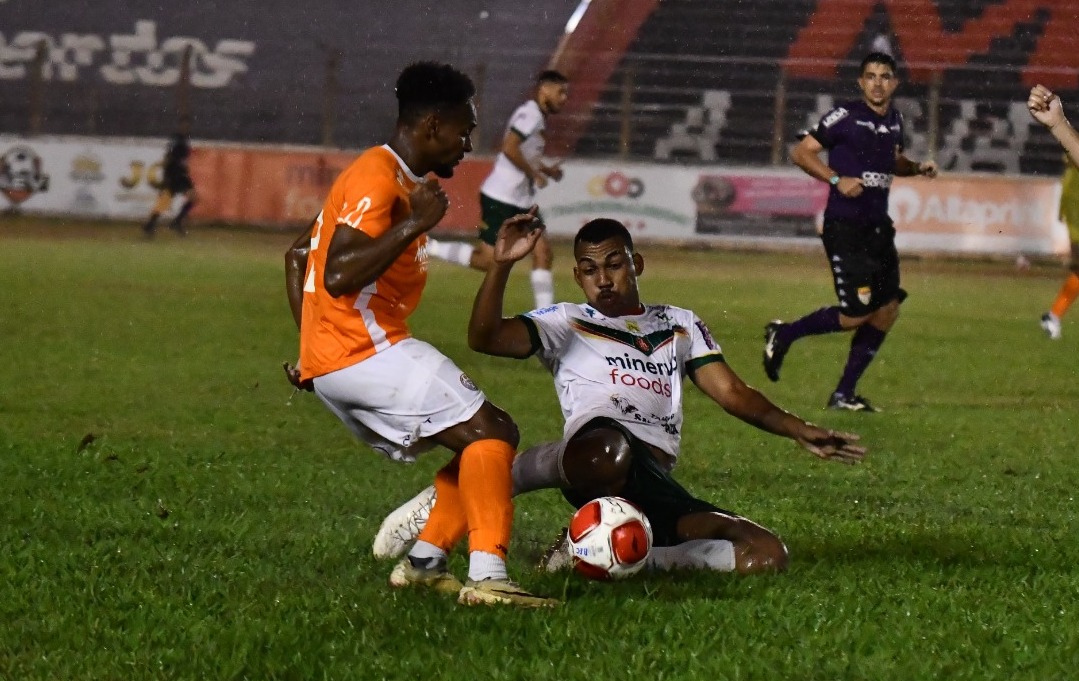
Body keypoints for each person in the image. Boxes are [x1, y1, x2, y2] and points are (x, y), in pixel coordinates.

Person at [374, 216, 866, 576]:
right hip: (596, 458)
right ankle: (491, 479)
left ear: (638, 264)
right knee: (610, 449)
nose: (603, 279)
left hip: (651, 483)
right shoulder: (566, 321)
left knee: (764, 554)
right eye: (589, 269)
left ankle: (601, 552)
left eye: (614, 265)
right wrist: (500, 268)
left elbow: (734, 393)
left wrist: (800, 428)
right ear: (577, 277)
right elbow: (485, 337)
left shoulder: (678, 323)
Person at [282, 61, 555, 608]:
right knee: (492, 431)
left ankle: (427, 563)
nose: (468, 145)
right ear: (431, 126)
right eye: (464, 130)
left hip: (343, 354)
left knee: (483, 435)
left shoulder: (395, 177)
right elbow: (334, 273)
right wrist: (413, 225)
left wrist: (312, 353)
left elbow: (297, 257)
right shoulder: (376, 178)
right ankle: (488, 576)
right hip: (364, 348)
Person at [762, 52, 938, 412]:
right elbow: (801, 152)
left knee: (887, 308)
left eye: (885, 76)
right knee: (856, 314)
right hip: (846, 227)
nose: (877, 82)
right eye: (870, 76)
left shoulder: (895, 120)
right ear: (861, 82)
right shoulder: (844, 116)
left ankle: (843, 394)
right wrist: (837, 180)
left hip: (878, 229)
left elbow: (894, 162)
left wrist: (918, 167)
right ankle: (786, 333)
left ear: (894, 83)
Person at [426, 70, 570, 309]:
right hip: (501, 198)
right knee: (488, 262)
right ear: (544, 89)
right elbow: (510, 148)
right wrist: (534, 173)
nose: (564, 98)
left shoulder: (537, 116)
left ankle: (546, 314)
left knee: (543, 253)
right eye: (560, 91)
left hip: (522, 200)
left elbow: (523, 153)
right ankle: (431, 247)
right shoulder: (531, 115)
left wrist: (545, 170)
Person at [1027, 85, 1079, 340]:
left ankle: (1054, 315)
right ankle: (1054, 315)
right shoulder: (1073, 175)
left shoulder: (1071, 175)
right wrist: (1057, 124)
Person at [143, 126, 197, 237]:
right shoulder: (179, 144)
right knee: (166, 201)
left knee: (189, 198)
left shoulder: (179, 144)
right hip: (176, 176)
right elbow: (170, 161)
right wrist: (168, 177)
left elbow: (170, 160)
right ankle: (157, 224)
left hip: (179, 176)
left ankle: (158, 223)